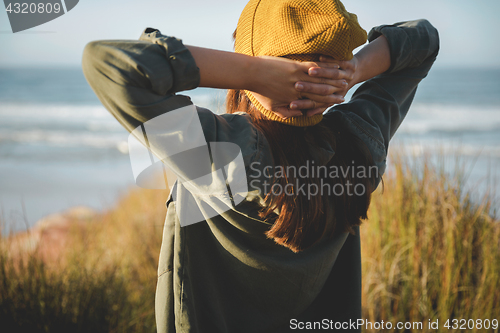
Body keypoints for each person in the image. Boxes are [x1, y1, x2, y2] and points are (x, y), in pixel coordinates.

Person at [82, 0, 439, 331]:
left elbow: (106, 63)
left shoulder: (224, 152)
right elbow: (423, 40)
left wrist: (252, 73)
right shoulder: (358, 140)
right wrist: (353, 69)